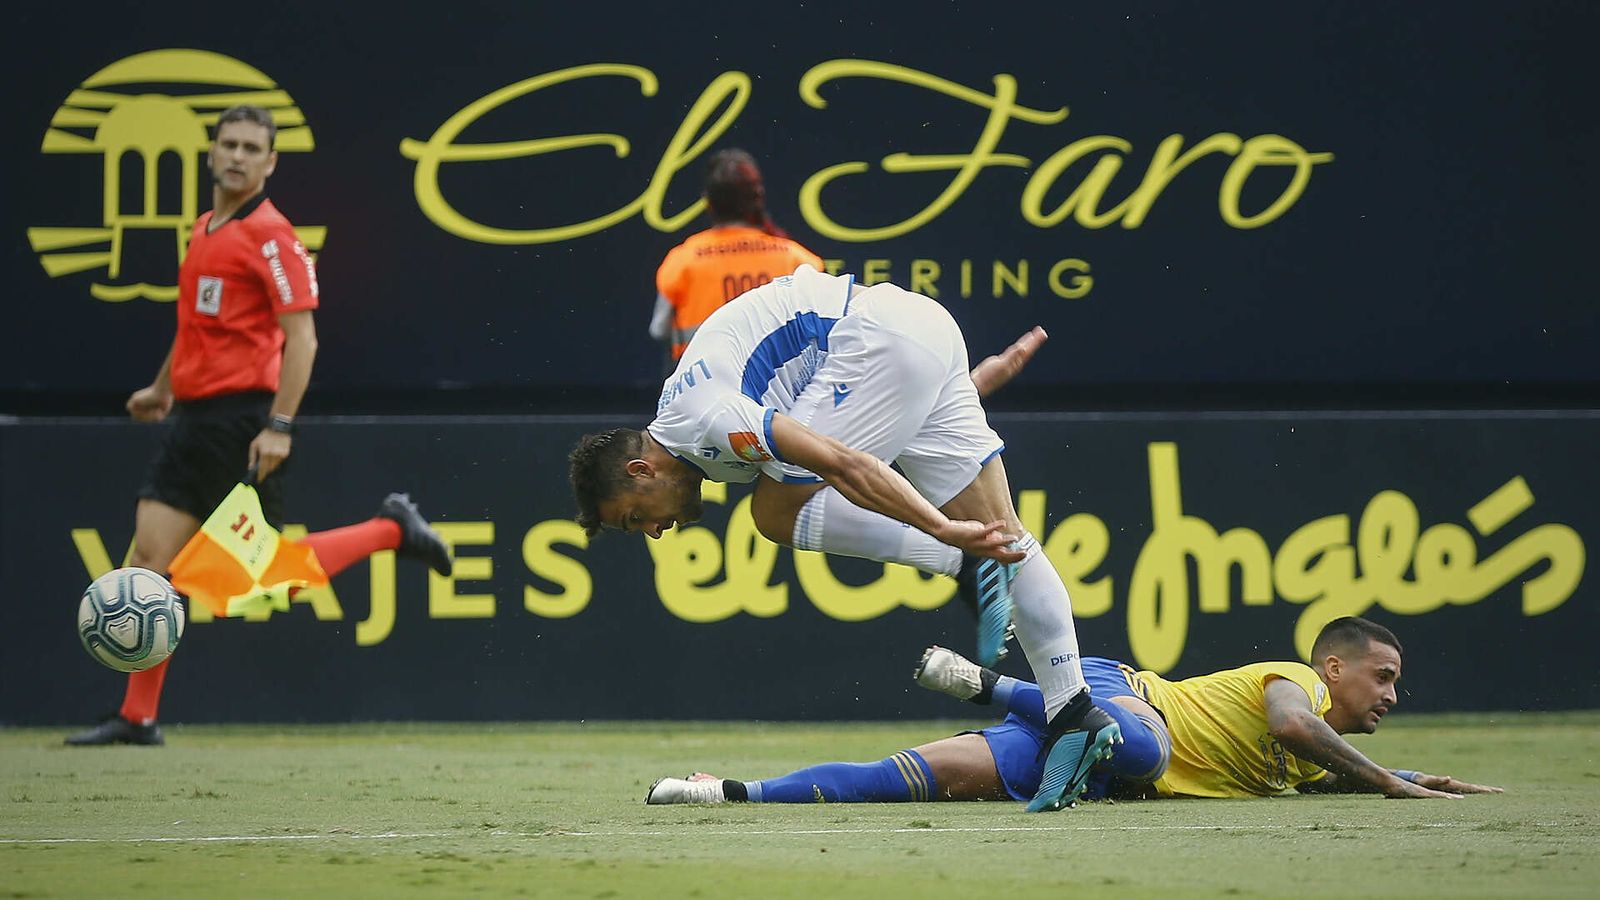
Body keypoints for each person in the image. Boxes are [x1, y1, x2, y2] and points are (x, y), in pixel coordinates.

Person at [570, 263, 1118, 812]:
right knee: (1007, 540)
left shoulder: (705, 418)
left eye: (633, 518)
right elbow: (860, 434)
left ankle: (961, 563)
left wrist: (941, 529)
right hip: (912, 338)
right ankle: (1073, 710)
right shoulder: (699, 429)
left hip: (877, 342)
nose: (653, 533)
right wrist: (948, 392)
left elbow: (842, 461)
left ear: (643, 472)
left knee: (775, 509)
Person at [65, 105, 453, 746]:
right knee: (149, 564)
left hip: (242, 422)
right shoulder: (205, 228)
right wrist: (163, 388)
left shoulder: (274, 238)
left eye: (253, 148)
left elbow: (303, 341)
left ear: (270, 163)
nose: (239, 156)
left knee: (262, 578)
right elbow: (194, 321)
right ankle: (138, 717)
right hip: (191, 420)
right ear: (212, 153)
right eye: (230, 144)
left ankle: (390, 530)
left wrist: (279, 424)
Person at [645, 616, 1504, 804]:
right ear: (1334, 665)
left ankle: (729, 792)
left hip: (1089, 744)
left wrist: (1407, 775)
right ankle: (990, 686)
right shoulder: (1299, 686)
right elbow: (1291, 727)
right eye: (1382, 676)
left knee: (925, 777)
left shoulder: (1316, 759)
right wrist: (1392, 786)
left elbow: (1316, 764)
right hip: (1114, 695)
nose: (1389, 695)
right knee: (1145, 756)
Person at [649, 148, 823, 367]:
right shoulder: (797, 260)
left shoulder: (683, 261)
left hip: (702, 389)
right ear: (757, 198)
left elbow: (658, 329)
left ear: (708, 202)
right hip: (780, 391)